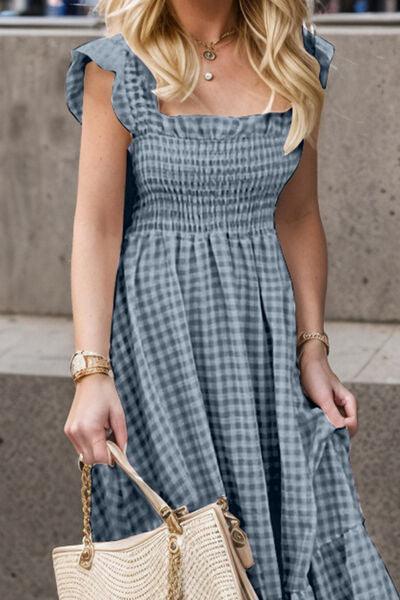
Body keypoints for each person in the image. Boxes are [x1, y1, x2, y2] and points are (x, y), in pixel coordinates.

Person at [63, 0, 400, 597]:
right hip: (160, 349)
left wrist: (313, 350)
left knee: (298, 522)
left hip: (263, 348)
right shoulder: (118, 68)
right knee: (192, 553)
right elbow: (97, 227)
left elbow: (298, 218)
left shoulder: (295, 61)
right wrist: (91, 373)